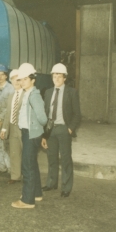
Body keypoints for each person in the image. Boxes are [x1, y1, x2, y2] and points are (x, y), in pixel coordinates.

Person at [41, 63, 81, 197]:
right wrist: (44, 134)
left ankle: (66, 187)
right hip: (50, 130)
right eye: (54, 75)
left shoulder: (72, 92)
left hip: (64, 129)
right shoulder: (47, 92)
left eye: (59, 76)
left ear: (65, 78)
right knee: (51, 158)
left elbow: (77, 114)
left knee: (65, 159)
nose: (56, 78)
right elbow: (45, 113)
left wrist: (70, 129)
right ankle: (51, 183)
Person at [11, 63, 47, 209]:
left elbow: (43, 118)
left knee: (27, 166)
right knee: (32, 164)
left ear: (33, 79)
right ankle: (36, 193)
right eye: (21, 79)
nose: (22, 81)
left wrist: (34, 126)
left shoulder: (34, 96)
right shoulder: (27, 93)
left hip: (31, 134)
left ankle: (27, 200)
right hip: (28, 133)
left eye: (26, 79)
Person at [0, 69, 24, 184]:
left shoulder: (26, 94)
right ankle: (15, 176)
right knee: (14, 153)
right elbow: (8, 114)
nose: (16, 81)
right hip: (13, 127)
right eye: (13, 79)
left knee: (26, 153)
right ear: (11, 81)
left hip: (24, 128)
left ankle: (28, 175)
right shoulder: (11, 96)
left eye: (18, 79)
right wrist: (4, 129)